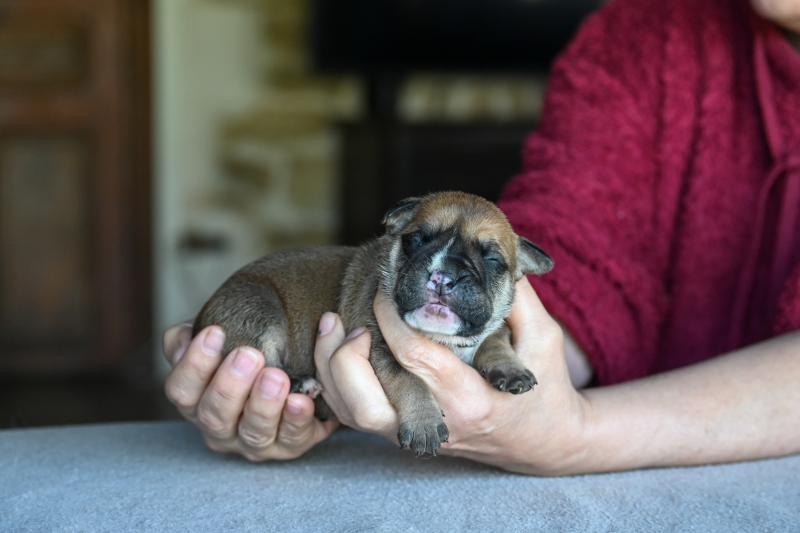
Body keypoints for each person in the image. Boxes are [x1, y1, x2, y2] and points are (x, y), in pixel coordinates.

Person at [162, 0, 800, 473]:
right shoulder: (641, 30)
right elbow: (577, 256)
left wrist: (578, 433)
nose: (442, 273)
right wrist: (503, 376)